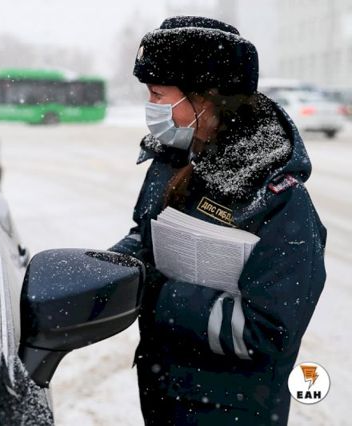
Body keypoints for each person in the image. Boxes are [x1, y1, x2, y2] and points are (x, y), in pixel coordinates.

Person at [110, 16, 326, 425]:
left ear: (204, 99)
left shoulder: (278, 199)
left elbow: (270, 330)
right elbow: (148, 235)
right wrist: (109, 267)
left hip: (231, 410)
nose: (151, 107)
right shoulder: (173, 158)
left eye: (158, 94)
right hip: (165, 393)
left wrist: (163, 297)